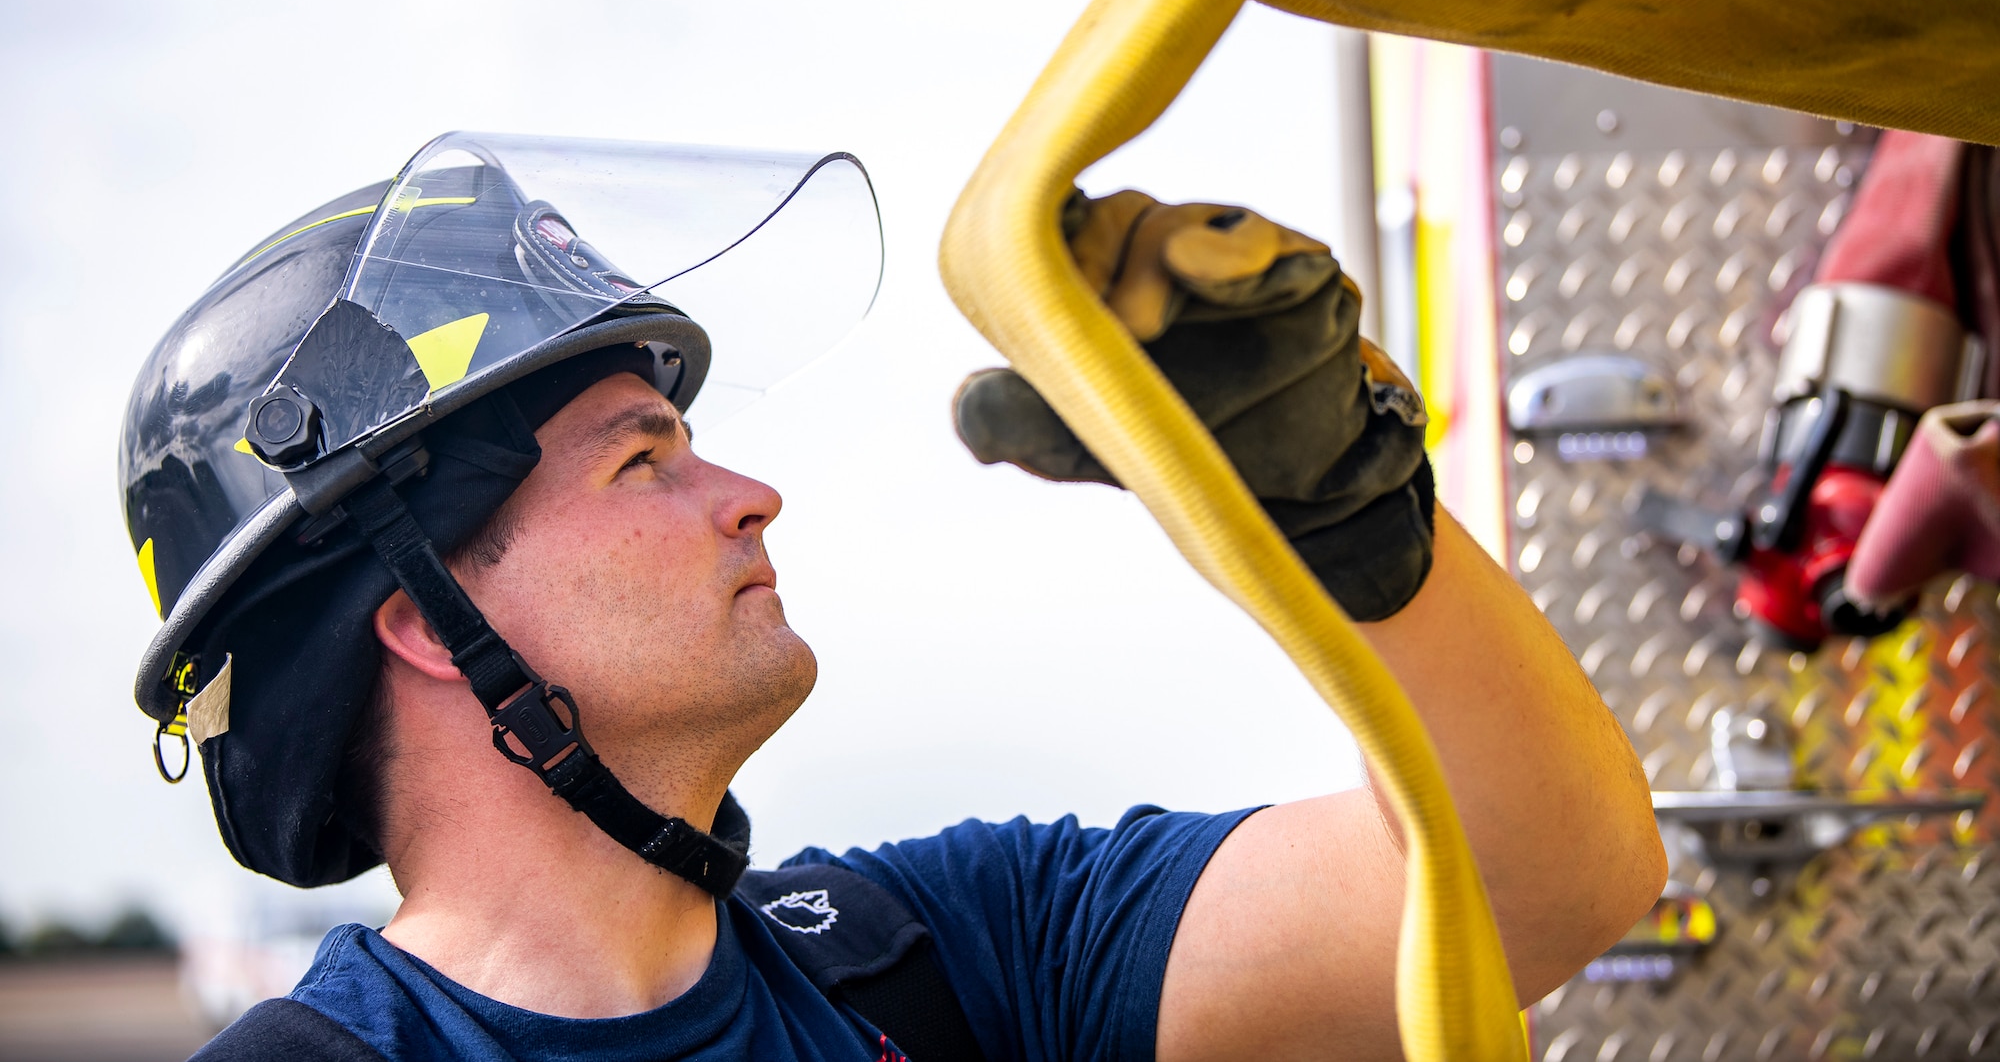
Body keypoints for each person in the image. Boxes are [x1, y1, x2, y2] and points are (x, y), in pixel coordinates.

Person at [124, 132, 1663, 1062]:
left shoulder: (947, 952)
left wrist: (1351, 520)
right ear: (419, 618)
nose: (748, 493)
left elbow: (1548, 879)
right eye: (640, 458)